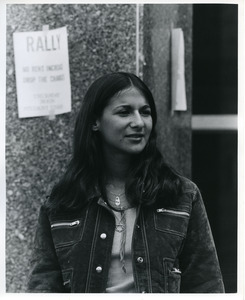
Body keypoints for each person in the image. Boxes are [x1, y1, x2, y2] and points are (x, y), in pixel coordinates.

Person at [27, 72, 225, 293]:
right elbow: (42, 287)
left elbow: (206, 284)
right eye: (124, 112)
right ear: (95, 121)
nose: (139, 122)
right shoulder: (63, 203)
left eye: (145, 112)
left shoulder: (181, 195)